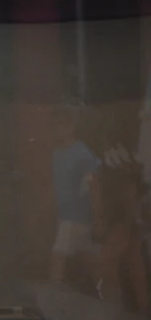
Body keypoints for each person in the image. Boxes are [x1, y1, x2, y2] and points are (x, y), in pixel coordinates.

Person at [95, 145, 150, 313]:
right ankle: (141, 305)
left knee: (109, 259)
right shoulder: (127, 175)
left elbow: (130, 199)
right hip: (127, 221)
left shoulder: (126, 180)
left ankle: (115, 302)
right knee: (134, 263)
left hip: (125, 221)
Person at [48, 112, 100, 283]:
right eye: (56, 125)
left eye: (63, 125)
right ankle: (106, 289)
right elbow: (56, 185)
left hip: (76, 216)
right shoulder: (56, 154)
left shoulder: (82, 152)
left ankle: (54, 293)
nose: (58, 129)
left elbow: (94, 183)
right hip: (65, 215)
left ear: (72, 127)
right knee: (88, 258)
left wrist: (97, 213)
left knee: (58, 256)